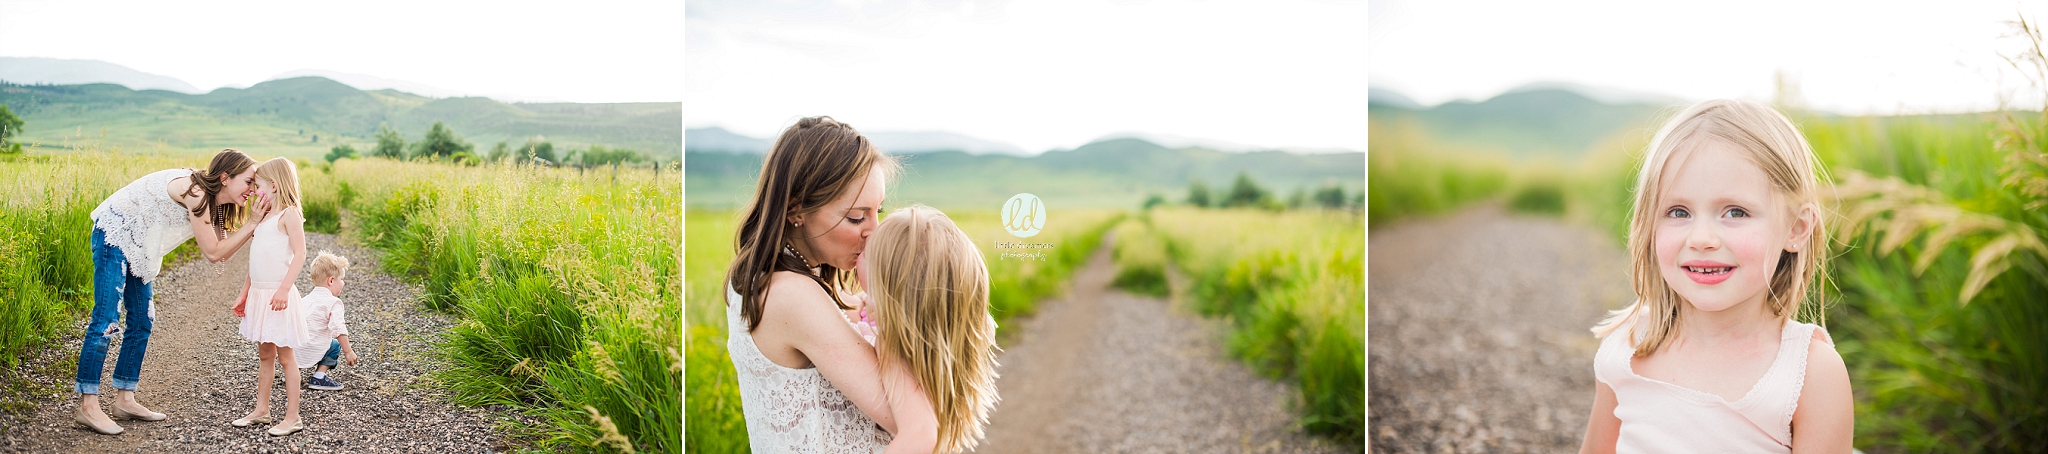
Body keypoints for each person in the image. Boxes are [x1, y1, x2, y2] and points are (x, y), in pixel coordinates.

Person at [1579, 100, 1852, 453]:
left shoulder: (1809, 374)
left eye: (1735, 212)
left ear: (1796, 229)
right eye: (1678, 212)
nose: (1702, 239)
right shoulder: (1628, 346)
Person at [725, 116, 901, 452]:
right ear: (797, 209)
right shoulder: (789, 295)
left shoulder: (798, 279)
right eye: (856, 216)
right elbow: (908, 416)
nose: (874, 230)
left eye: (878, 210)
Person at [74, 148, 269, 435]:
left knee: (142, 321)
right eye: (249, 182)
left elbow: (222, 253)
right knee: (106, 320)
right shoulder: (197, 193)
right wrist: (252, 223)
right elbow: (214, 254)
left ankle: (124, 399)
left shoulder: (215, 203)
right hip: (115, 235)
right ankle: (87, 405)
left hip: (142, 246)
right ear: (226, 177)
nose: (253, 190)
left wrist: (257, 226)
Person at [855, 205, 1001, 454]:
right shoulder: (913, 334)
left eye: (866, 253)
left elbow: (920, 436)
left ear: (887, 283)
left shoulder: (891, 346)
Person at [229, 157, 313, 437]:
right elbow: (255, 261)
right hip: (260, 295)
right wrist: (244, 293)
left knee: (286, 357)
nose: (254, 190)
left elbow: (300, 254)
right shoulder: (263, 216)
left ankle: (292, 417)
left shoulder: (289, 214)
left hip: (279, 295)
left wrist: (284, 289)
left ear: (274, 185)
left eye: (258, 185)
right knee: (265, 353)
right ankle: (261, 411)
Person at [292, 252, 358, 391]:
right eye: (342, 279)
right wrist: (348, 351)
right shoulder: (334, 303)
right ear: (331, 281)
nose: (343, 283)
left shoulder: (304, 300)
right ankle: (319, 377)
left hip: (293, 352)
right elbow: (338, 329)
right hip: (312, 349)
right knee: (334, 344)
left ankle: (292, 373)